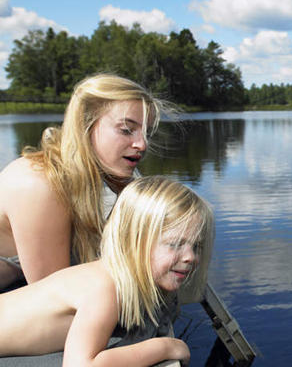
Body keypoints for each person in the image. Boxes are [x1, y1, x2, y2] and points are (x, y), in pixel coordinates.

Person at [0, 176, 213, 367]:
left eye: (196, 246)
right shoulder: (105, 288)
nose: (190, 257)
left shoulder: (114, 279)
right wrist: (166, 347)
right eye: (175, 244)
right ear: (134, 240)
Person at [0, 74, 172, 289]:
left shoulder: (111, 175)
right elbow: (56, 297)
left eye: (146, 133)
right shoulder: (37, 184)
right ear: (84, 125)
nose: (142, 144)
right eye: (127, 130)